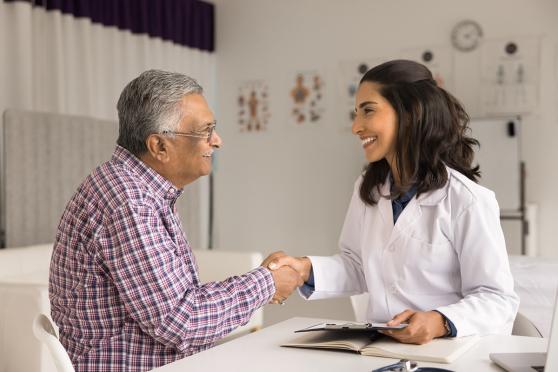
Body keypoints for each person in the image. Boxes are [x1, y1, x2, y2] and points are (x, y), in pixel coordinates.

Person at [49, 70, 302, 371]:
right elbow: (180, 320)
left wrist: (263, 281)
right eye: (205, 131)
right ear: (159, 146)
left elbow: (179, 304)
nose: (217, 141)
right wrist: (266, 282)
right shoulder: (130, 201)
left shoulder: (138, 189)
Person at [264, 59, 519, 345]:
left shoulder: (466, 199)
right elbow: (358, 266)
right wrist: (304, 268)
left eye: (368, 111)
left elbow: (497, 299)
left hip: (448, 351)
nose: (356, 127)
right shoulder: (368, 188)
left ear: (409, 113)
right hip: (378, 344)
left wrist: (439, 321)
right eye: (355, 113)